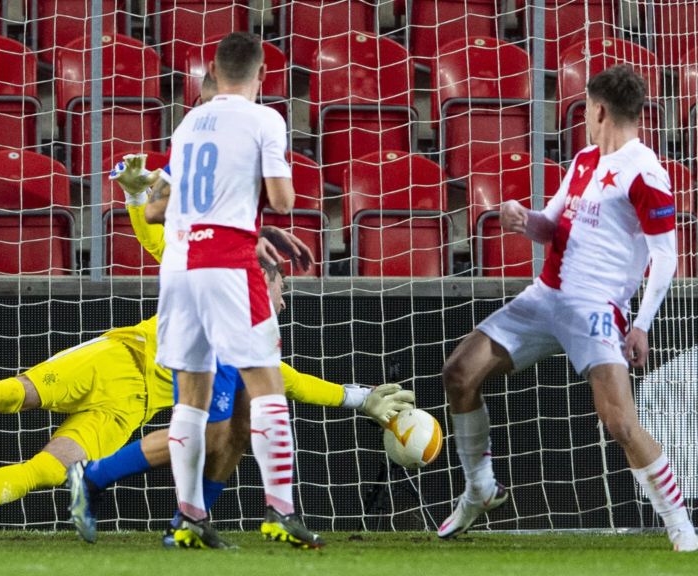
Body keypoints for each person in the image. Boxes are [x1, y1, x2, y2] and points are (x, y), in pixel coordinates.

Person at [64, 154, 415, 547]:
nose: (283, 304)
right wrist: (359, 398)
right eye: (282, 289)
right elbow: (158, 222)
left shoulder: (232, 250)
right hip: (174, 346)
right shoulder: (216, 261)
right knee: (209, 435)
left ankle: (191, 520)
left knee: (240, 428)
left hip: (190, 342)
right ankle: (93, 477)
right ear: (265, 277)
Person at [438, 64, 697, 552]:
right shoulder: (584, 160)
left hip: (597, 309)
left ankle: (680, 524)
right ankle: (480, 490)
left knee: (619, 422)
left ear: (598, 110)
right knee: (459, 373)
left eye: (585, 112)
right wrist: (523, 219)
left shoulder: (645, 172)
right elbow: (550, 228)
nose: (583, 120)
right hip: (546, 296)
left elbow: (667, 255)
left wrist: (641, 324)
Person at [151, 31, 318, 549]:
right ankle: (282, 511)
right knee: (267, 385)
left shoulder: (186, 124)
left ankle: (190, 517)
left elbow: (157, 206)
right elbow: (283, 199)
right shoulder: (265, 119)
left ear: (214, 72)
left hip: (178, 262)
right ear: (263, 74)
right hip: (226, 259)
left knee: (191, 397)